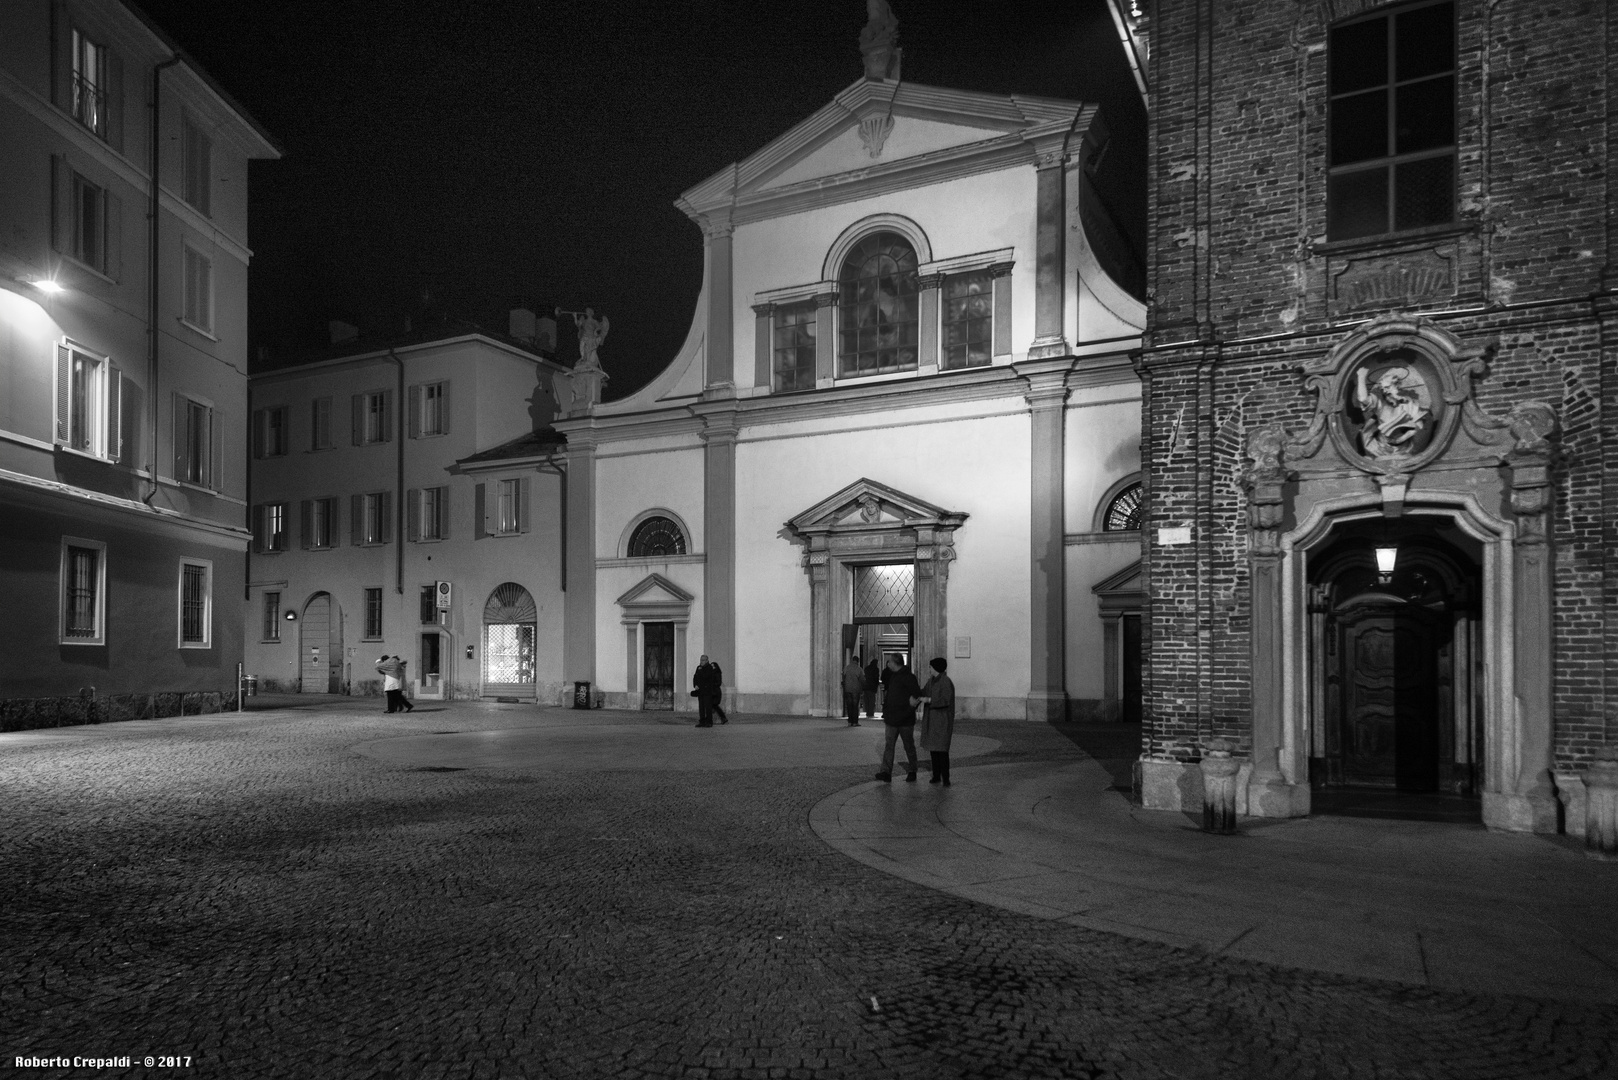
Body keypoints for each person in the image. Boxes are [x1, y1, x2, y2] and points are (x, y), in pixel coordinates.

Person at [874, 655, 921, 782]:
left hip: (905, 719)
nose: (887, 663)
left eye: (889, 661)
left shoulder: (909, 677)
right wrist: (886, 711)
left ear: (895, 663)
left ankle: (912, 770)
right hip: (892, 719)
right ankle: (886, 772)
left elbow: (917, 695)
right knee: (889, 746)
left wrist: (910, 708)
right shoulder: (893, 676)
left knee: (908, 746)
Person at [917, 657, 956, 786]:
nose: (929, 669)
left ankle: (945, 778)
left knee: (942, 751)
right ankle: (936, 775)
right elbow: (923, 691)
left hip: (942, 721)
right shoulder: (932, 681)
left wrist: (929, 701)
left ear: (935, 668)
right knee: (934, 750)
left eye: (930, 667)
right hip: (933, 720)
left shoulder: (945, 681)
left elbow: (945, 700)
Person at [692, 654, 728, 727]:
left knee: (708, 707)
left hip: (707, 691)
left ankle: (709, 722)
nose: (701, 662)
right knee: (701, 708)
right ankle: (702, 721)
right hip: (700, 691)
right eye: (701, 660)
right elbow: (695, 677)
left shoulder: (709, 668)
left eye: (703, 660)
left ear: (707, 661)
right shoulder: (698, 668)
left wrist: (701, 670)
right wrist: (695, 685)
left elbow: (706, 677)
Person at [842, 655, 866, 726]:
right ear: (858, 661)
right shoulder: (859, 669)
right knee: (855, 706)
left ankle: (850, 721)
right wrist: (863, 688)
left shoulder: (846, 668)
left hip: (847, 689)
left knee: (849, 706)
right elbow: (862, 680)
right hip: (856, 689)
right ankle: (855, 722)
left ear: (852, 660)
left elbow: (843, 677)